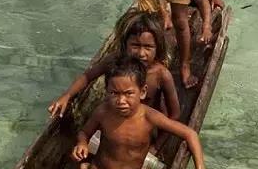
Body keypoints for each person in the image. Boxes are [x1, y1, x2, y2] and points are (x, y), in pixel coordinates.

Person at [72, 58, 210, 169]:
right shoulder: (103, 112)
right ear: (106, 91)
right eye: (114, 93)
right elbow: (84, 133)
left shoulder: (149, 116)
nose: (121, 101)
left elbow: (190, 134)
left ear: (143, 92)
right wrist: (81, 143)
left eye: (128, 93)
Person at [48, 12, 180, 121]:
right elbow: (87, 77)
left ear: (157, 48)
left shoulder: (161, 74)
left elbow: (174, 114)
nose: (141, 53)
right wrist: (67, 95)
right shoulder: (115, 60)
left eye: (148, 47)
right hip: (115, 117)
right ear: (125, 44)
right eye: (135, 45)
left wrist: (155, 147)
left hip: (144, 125)